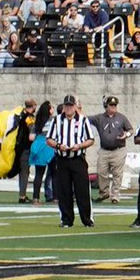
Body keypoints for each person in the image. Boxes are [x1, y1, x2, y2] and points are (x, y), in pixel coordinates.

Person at [44, 94, 96, 228]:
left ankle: (87, 219)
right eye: (66, 105)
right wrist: (58, 146)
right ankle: (66, 219)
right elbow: (49, 139)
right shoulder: (56, 121)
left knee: (82, 191)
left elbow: (90, 139)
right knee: (64, 190)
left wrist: (79, 146)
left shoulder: (83, 120)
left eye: (70, 105)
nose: (68, 108)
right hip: (62, 159)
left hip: (78, 159)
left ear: (75, 107)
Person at [87, 95, 133, 205]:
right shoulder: (99, 118)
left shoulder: (121, 118)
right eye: (111, 105)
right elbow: (86, 119)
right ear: (106, 106)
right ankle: (104, 192)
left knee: (117, 173)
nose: (113, 107)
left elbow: (130, 129)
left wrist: (126, 135)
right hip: (104, 149)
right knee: (101, 172)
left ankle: (115, 195)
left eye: (114, 105)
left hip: (118, 149)